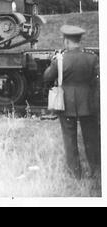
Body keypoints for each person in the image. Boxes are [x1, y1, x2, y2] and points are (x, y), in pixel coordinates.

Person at [44, 25, 100, 180]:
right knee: (92, 139)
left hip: (66, 104)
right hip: (88, 104)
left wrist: (52, 62)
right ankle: (96, 171)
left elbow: (47, 77)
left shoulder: (60, 60)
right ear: (79, 40)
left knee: (69, 138)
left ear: (66, 41)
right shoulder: (92, 57)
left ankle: (75, 173)